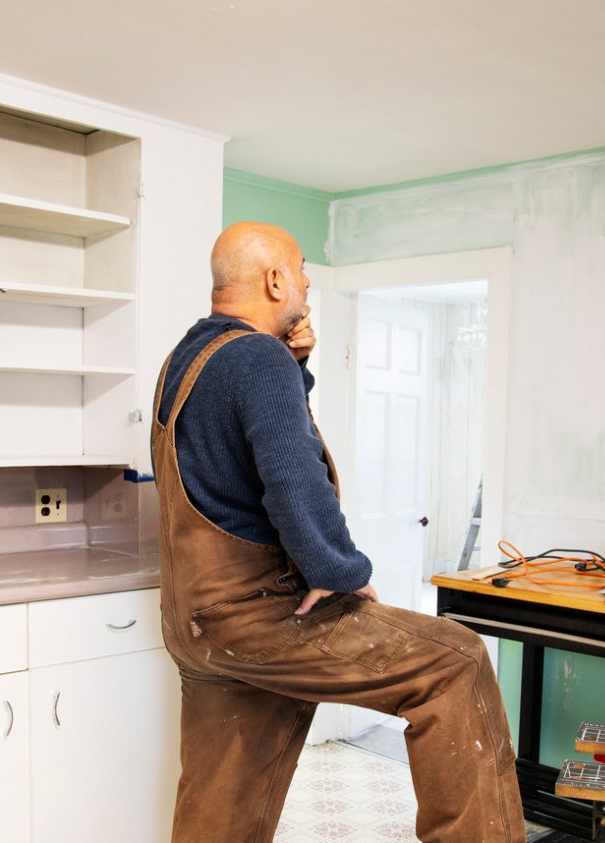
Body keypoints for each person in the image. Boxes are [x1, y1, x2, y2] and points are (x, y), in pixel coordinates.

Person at [152, 221, 524, 843]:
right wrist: (339, 571)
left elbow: (239, 458)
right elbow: (293, 481)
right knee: (455, 662)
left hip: (198, 624)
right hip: (259, 616)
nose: (304, 285)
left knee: (224, 795)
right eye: (300, 272)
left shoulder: (187, 359)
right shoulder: (256, 356)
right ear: (274, 280)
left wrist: (295, 364)